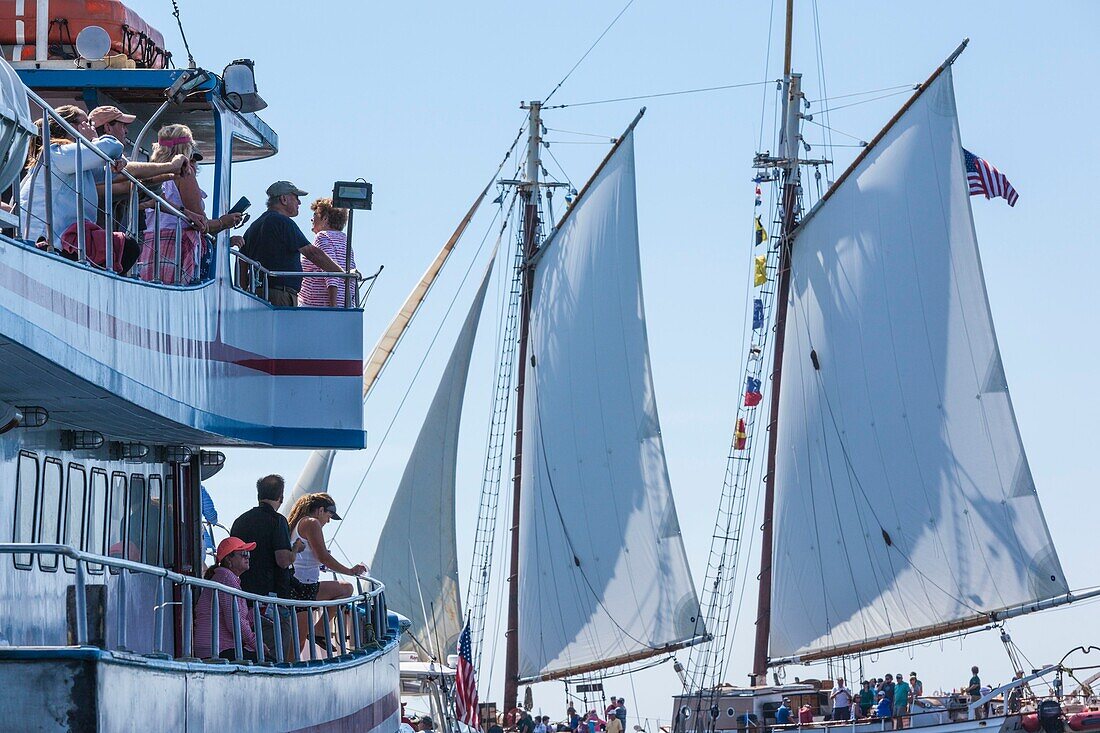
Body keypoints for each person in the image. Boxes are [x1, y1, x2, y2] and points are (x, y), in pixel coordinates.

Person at [18, 105, 141, 272]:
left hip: (65, 240)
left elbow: (105, 172)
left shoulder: (70, 158)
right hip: (46, 242)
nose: (91, 128)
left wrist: (119, 160)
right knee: (127, 247)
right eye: (86, 123)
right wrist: (93, 140)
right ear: (72, 127)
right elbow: (110, 146)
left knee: (128, 248)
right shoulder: (58, 154)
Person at [134, 124, 241, 284]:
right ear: (186, 148)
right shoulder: (184, 173)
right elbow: (200, 223)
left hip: (151, 243)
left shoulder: (152, 173)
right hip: (176, 244)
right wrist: (223, 222)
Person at [236, 181, 343, 306]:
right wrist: (342, 274)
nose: (299, 202)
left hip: (255, 296)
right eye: (296, 197)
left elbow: (242, 262)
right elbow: (312, 253)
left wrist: (243, 292)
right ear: (284, 199)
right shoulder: (282, 221)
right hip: (280, 295)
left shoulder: (254, 226)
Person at [230, 474, 302, 659]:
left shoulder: (240, 521)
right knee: (274, 654)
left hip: (244, 598)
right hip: (272, 601)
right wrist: (295, 549)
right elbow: (283, 560)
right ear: (281, 497)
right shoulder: (277, 521)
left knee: (249, 652)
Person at [286, 492, 366, 649]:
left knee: (298, 642)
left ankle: (319, 630)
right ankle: (319, 630)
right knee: (297, 643)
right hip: (302, 588)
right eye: (329, 516)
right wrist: (350, 571)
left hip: (299, 585)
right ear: (320, 510)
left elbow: (313, 557)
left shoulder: (298, 523)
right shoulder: (311, 523)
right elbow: (324, 557)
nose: (328, 521)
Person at [192, 536, 262, 661]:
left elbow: (238, 619)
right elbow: (234, 623)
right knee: (268, 661)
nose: (247, 557)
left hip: (217, 648)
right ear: (229, 559)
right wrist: (256, 644)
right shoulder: (226, 578)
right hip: (216, 649)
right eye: (243, 553)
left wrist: (260, 609)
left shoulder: (226, 578)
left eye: (248, 554)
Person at [299, 197, 356, 307]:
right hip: (345, 304)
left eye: (315, 215)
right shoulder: (345, 240)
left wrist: (333, 307)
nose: (312, 220)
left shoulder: (322, 237)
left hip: (317, 307)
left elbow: (331, 273)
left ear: (325, 218)